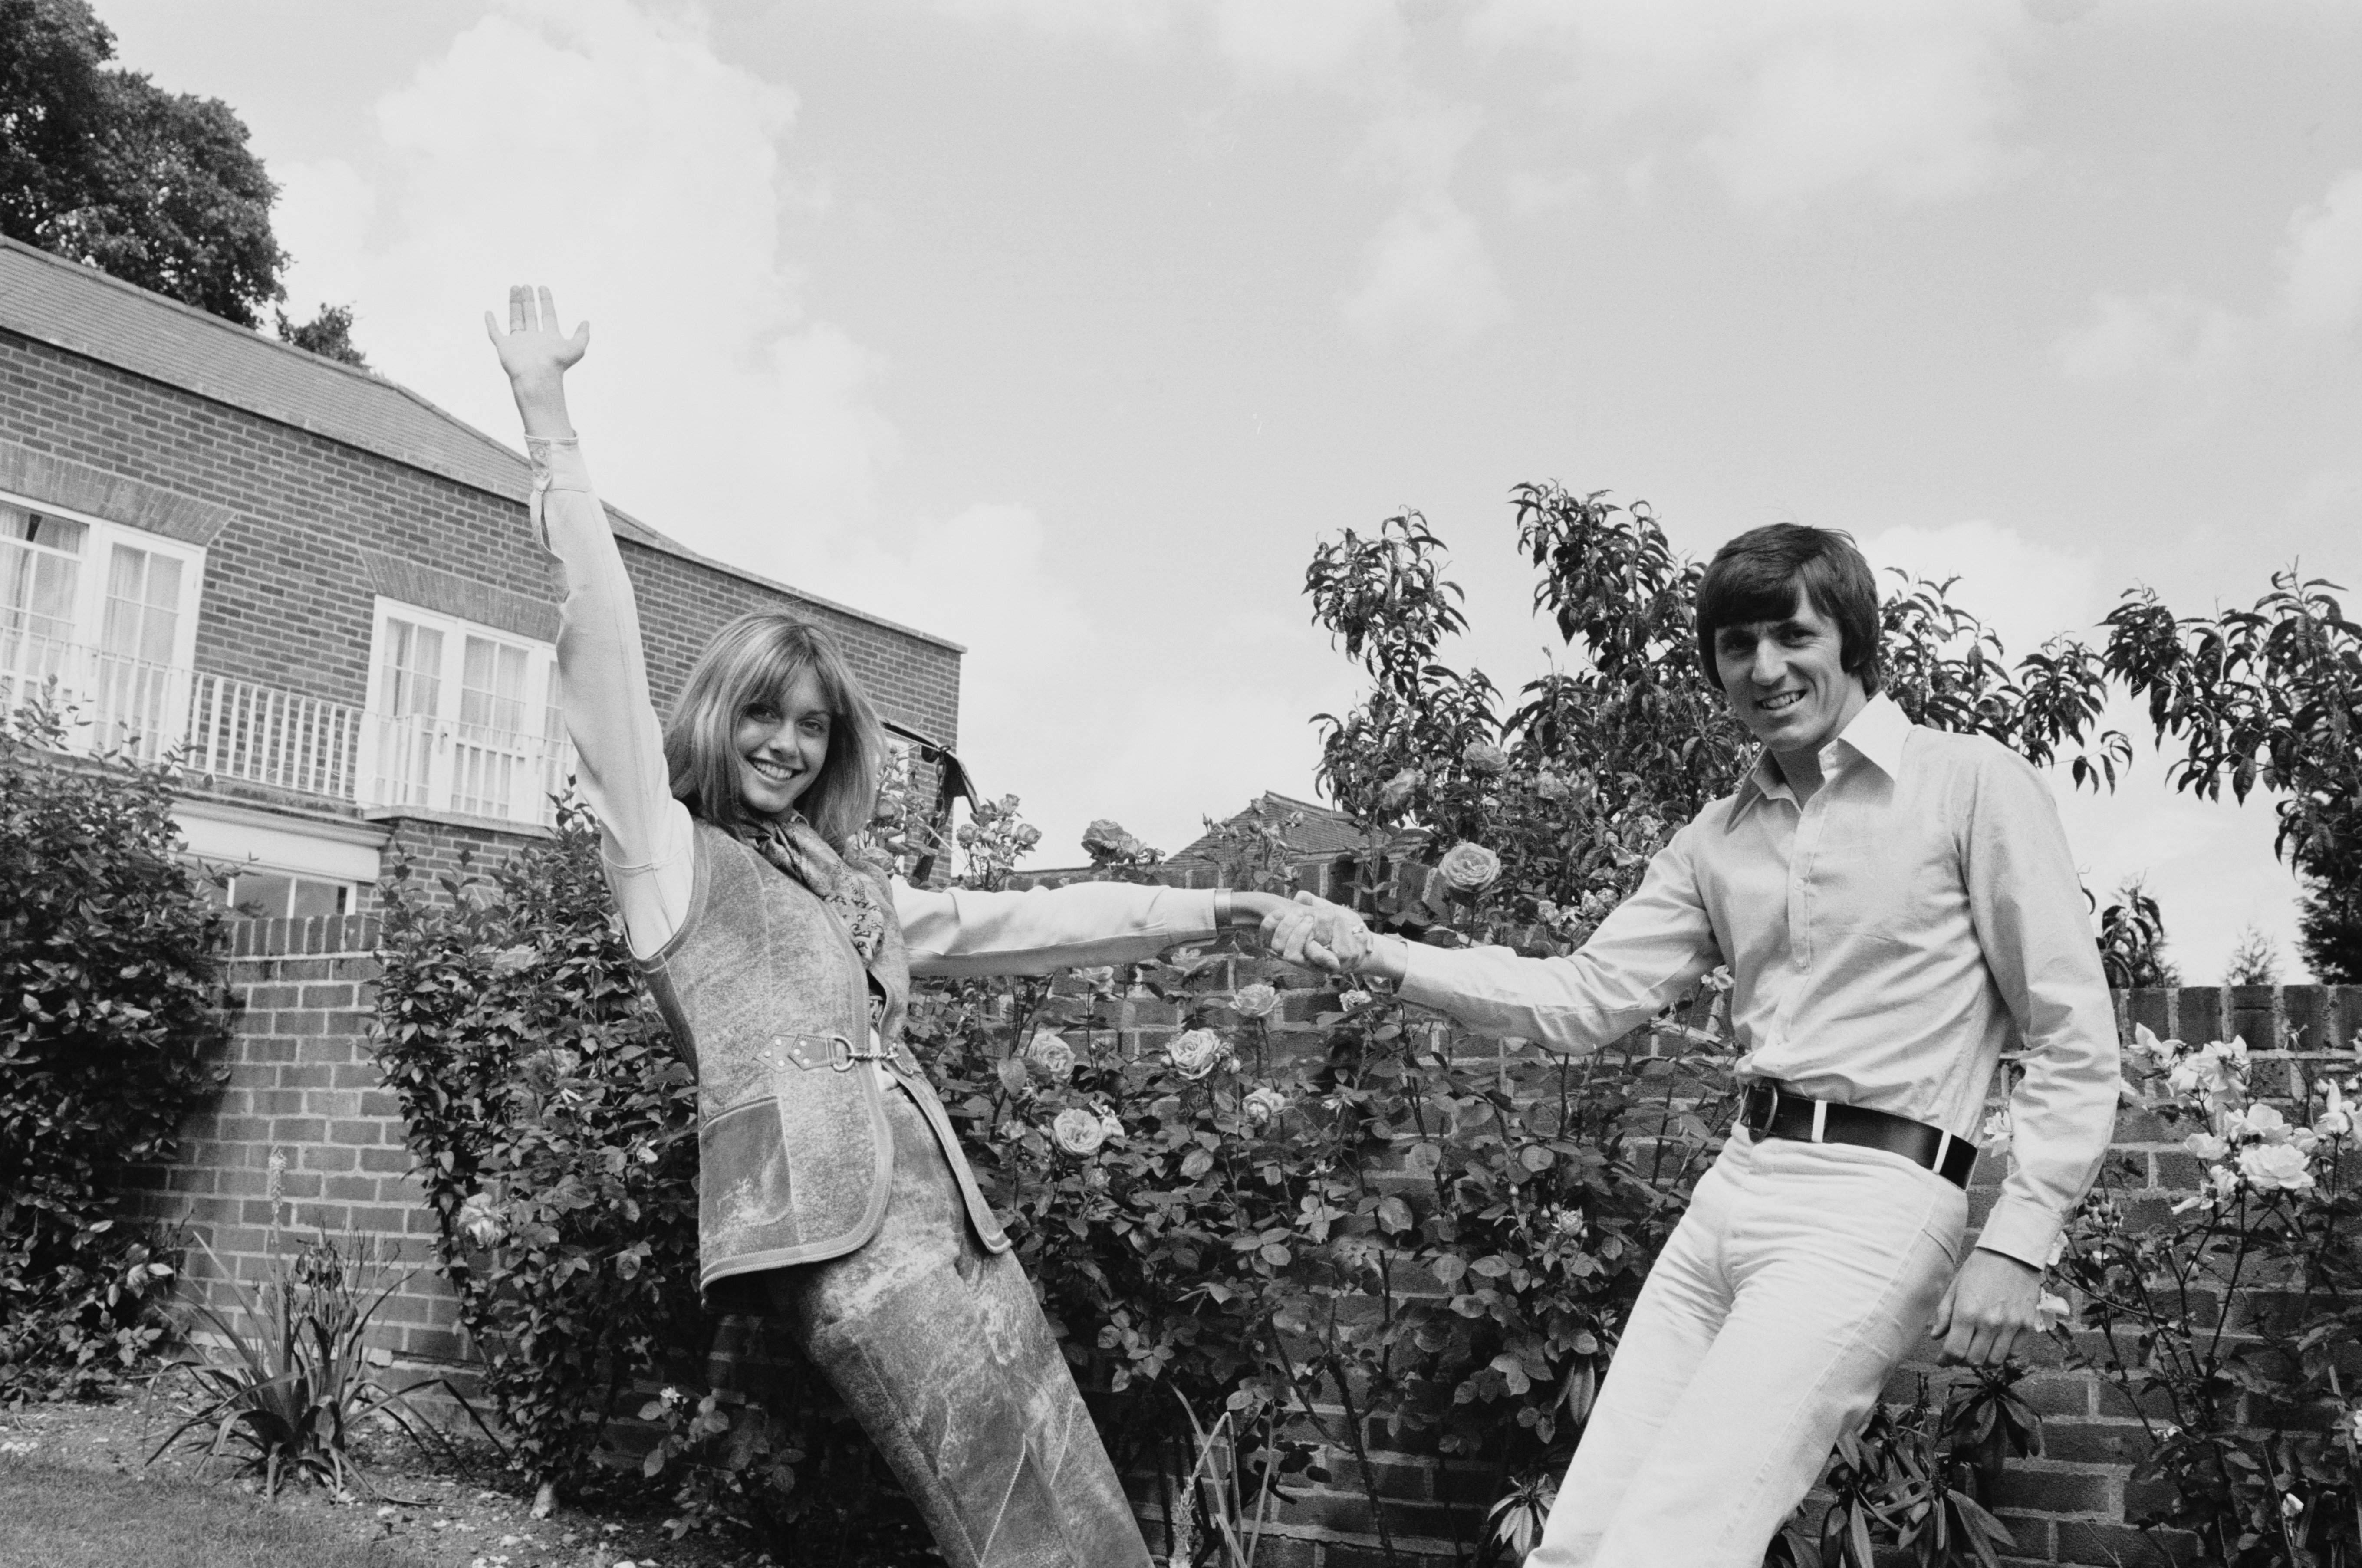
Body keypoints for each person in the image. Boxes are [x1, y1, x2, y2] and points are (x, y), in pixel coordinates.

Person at [486, 285, 1293, 1568]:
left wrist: (1214, 905)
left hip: (949, 1223)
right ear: (717, 716)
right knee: (1016, 1533)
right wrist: (549, 419)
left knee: (1079, 1511)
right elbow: (603, 640)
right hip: (839, 1238)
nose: (786, 744)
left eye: (811, 725)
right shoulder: (665, 855)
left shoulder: (848, 884)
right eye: (765, 714)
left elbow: (1028, 920)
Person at [1264, 523, 2120, 1568]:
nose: (1765, 668)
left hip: (1875, 1204)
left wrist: (2020, 1235)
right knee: (1580, 1544)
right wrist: (1385, 955)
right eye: (1736, 644)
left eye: (1792, 634)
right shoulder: (1716, 837)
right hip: (1736, 1186)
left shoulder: (1970, 783)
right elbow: (1584, 997)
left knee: (1673, 1546)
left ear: (1850, 636)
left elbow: (2071, 1028)